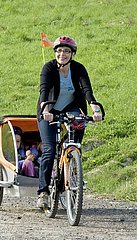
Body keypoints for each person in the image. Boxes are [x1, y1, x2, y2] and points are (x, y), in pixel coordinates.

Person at [36, 35, 103, 208]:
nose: (62, 54)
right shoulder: (49, 68)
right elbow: (44, 90)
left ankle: (72, 168)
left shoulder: (79, 68)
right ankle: (43, 192)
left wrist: (95, 107)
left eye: (66, 51)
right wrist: (45, 110)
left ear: (72, 54)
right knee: (50, 149)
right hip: (49, 109)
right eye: (59, 51)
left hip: (70, 108)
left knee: (76, 143)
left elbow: (87, 89)